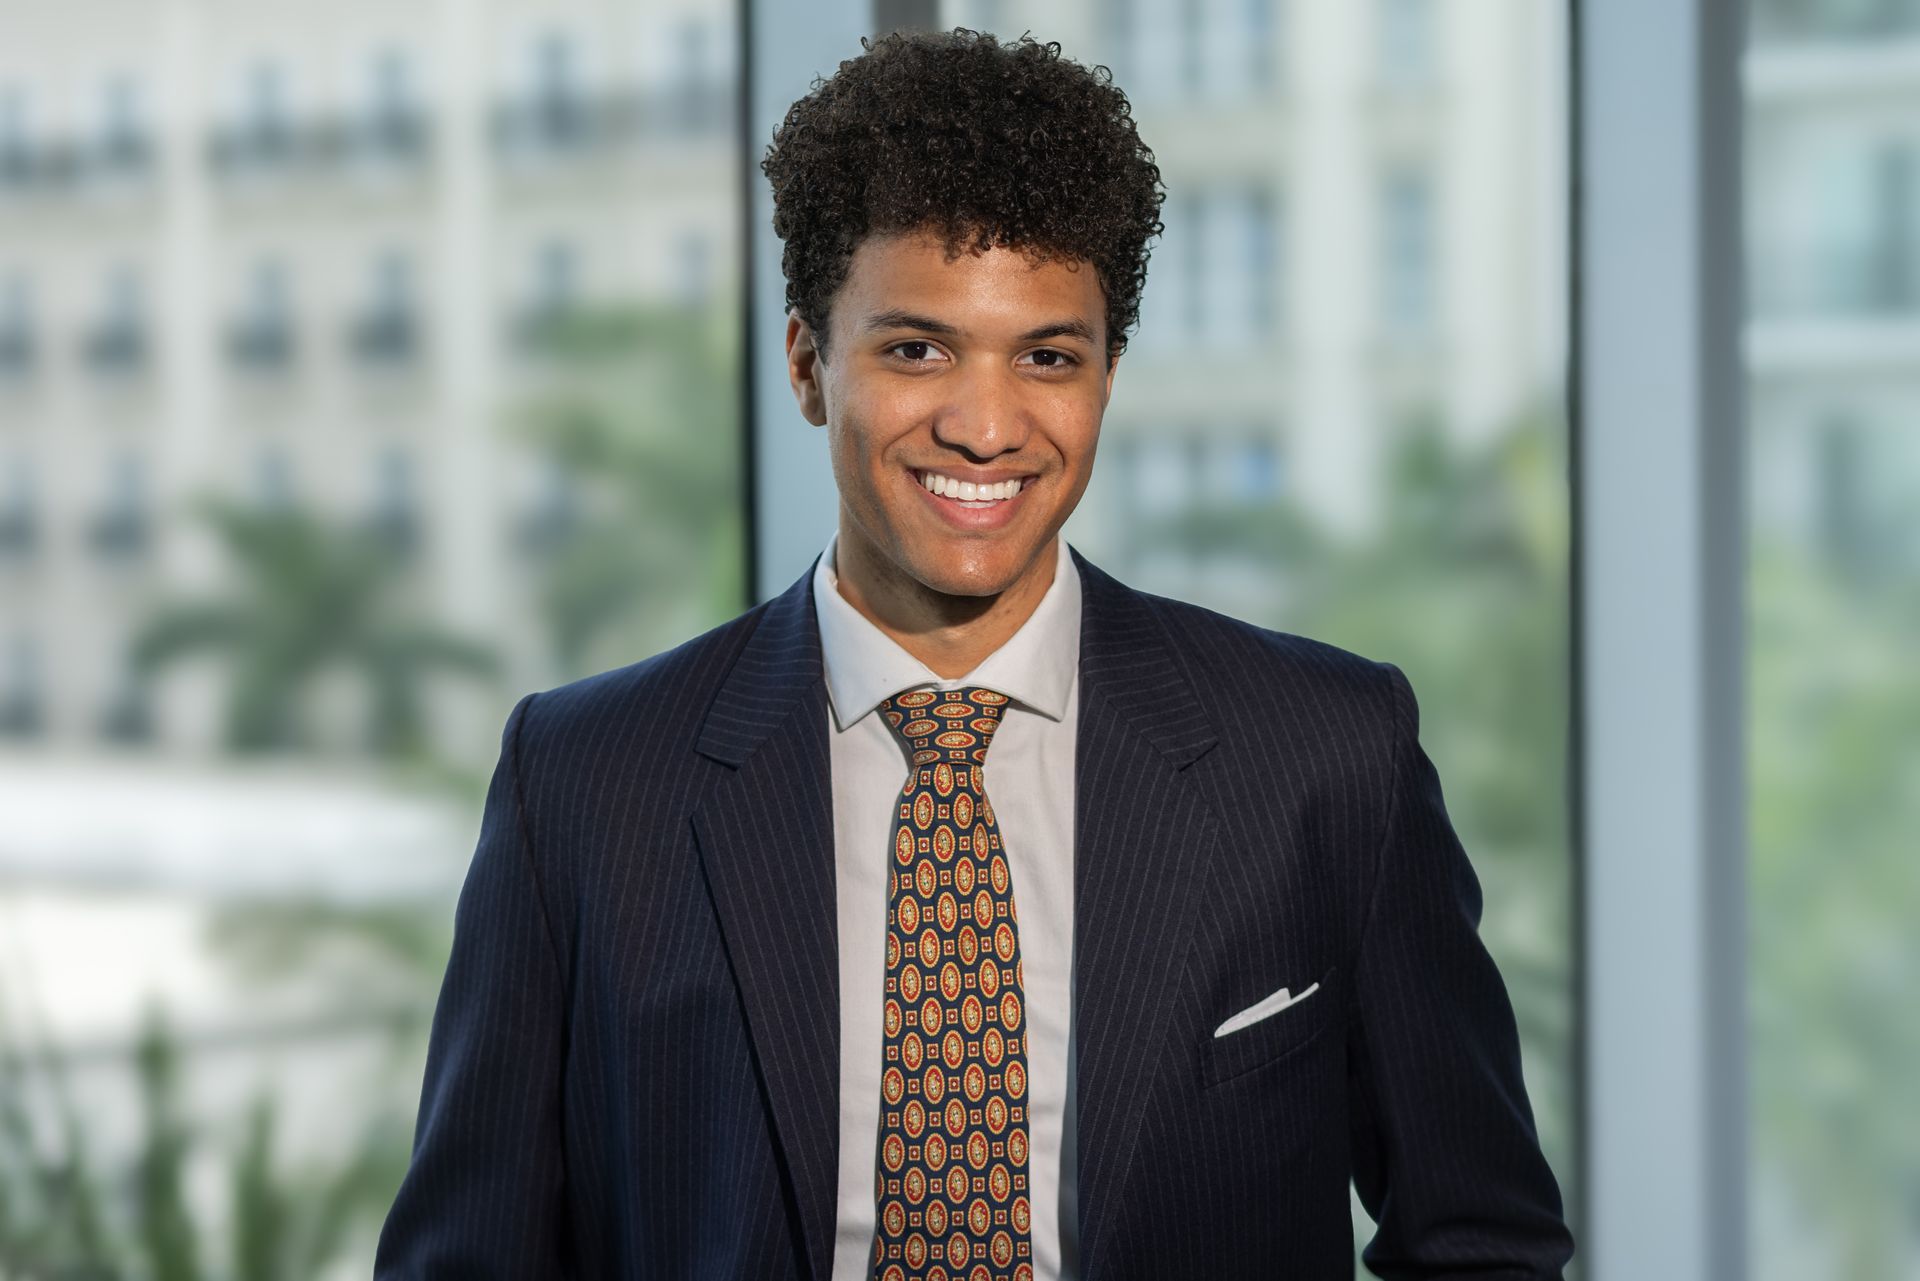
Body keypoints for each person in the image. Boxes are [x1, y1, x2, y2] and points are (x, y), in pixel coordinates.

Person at [373, 27, 1574, 1281]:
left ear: (1107, 374)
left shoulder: (1324, 756)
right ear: (807, 365)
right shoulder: (585, 783)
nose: (987, 426)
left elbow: (1482, 1235)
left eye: (1047, 357)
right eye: (917, 349)